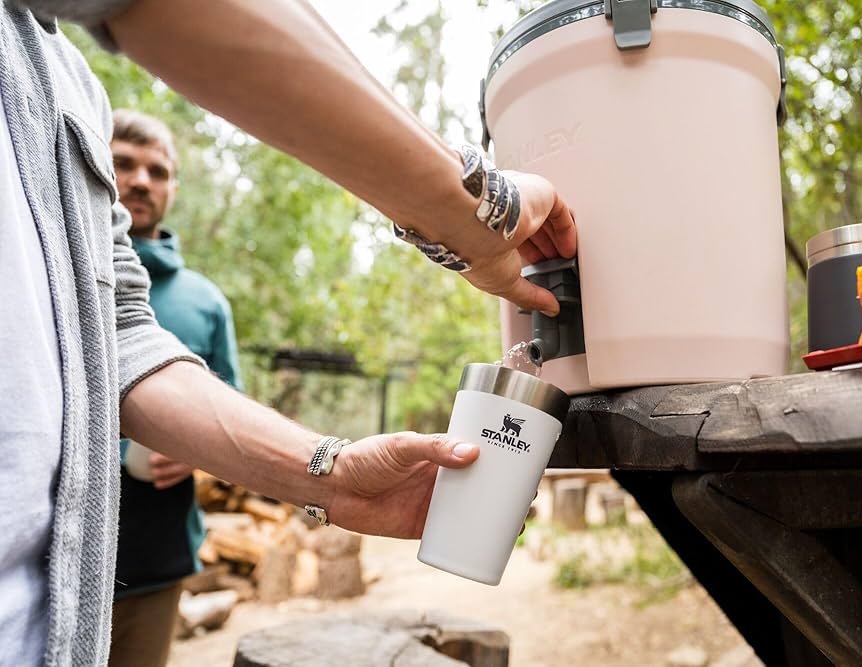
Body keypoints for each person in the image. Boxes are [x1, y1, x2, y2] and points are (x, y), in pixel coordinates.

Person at [0, 2, 576, 666]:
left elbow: (123, 337)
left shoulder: (71, 89)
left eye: (158, 170)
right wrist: (479, 208)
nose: (140, 181)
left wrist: (333, 476)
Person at [108, 109, 243, 667]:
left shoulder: (204, 302)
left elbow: (228, 410)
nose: (141, 180)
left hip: (155, 554)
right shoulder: (50, 268)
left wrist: (194, 455)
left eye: (157, 171)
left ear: (173, 188)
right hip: (39, 550)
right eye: (123, 164)